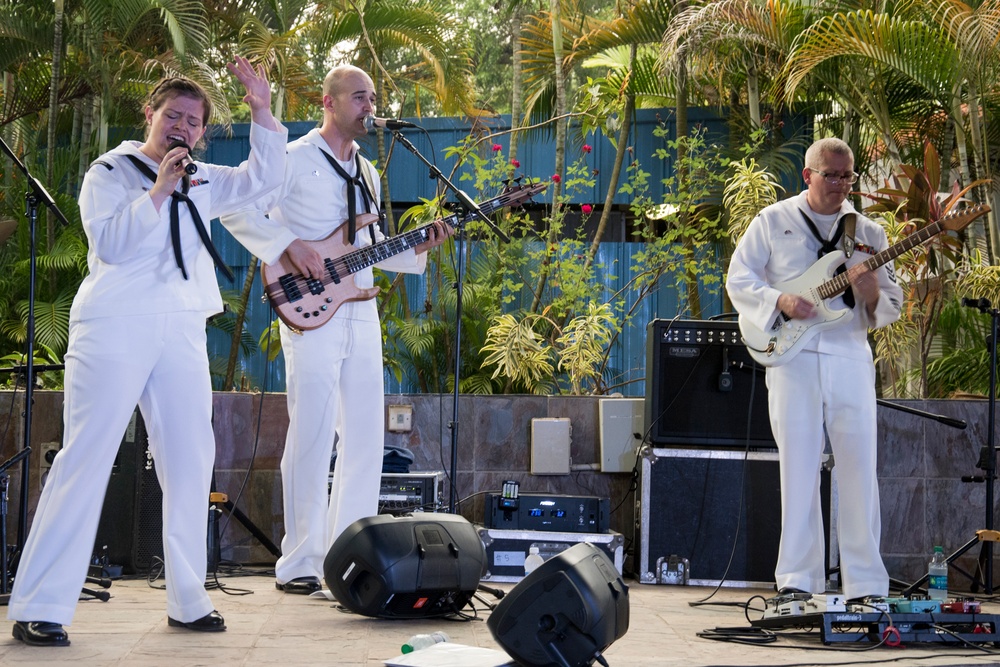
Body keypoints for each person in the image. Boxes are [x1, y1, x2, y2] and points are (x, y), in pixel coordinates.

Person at [7, 57, 299, 646]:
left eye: (194, 122)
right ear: (151, 114)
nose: (183, 128)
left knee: (192, 460)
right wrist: (160, 189)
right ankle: (40, 603)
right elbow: (111, 245)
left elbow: (265, 180)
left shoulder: (205, 178)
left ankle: (189, 599)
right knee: (86, 458)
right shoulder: (109, 171)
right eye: (174, 115)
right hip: (114, 326)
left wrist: (263, 110)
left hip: (182, 329)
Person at [221, 64, 452, 595]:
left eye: (372, 97)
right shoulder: (294, 159)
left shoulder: (369, 172)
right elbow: (237, 209)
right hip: (308, 312)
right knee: (313, 431)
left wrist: (417, 248)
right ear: (328, 102)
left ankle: (349, 557)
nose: (369, 106)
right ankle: (301, 561)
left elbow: (362, 249)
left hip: (360, 309)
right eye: (358, 97)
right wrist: (287, 245)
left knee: (367, 437)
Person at [726, 137, 903, 600]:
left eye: (848, 177)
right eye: (832, 175)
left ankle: (865, 582)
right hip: (792, 357)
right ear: (808, 175)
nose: (841, 185)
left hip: (849, 356)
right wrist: (779, 299)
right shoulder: (774, 220)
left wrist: (868, 294)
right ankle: (797, 580)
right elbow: (739, 277)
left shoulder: (869, 232)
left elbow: (891, 305)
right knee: (799, 468)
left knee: (860, 468)